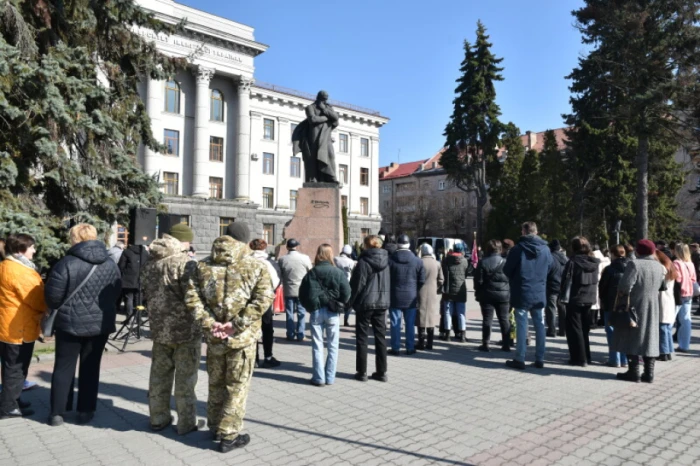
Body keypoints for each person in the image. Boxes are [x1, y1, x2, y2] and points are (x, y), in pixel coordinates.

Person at [185, 235, 274, 453]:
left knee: (216, 383)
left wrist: (210, 323)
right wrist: (236, 325)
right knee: (237, 386)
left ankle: (215, 426)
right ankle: (229, 434)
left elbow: (192, 298)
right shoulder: (255, 265)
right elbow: (264, 298)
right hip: (241, 339)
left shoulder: (202, 265)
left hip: (215, 337)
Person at [44, 224, 121, 426]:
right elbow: (116, 291)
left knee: (63, 366)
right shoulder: (110, 263)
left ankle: (57, 413)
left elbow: (53, 297)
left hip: (69, 323)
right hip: (99, 324)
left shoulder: (66, 263)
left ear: (75, 238)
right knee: (91, 367)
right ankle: (86, 411)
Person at [140, 224, 203, 434]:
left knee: (159, 376)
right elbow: (197, 295)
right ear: (184, 241)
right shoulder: (186, 263)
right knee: (186, 379)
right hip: (186, 330)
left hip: (159, 330)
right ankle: (186, 423)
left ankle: (158, 418)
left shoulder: (151, 262)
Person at [0, 234, 46, 419]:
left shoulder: (5, 265)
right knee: (16, 368)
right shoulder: (20, 271)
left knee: (12, 367)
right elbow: (36, 299)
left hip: (10, 324)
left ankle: (12, 400)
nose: (34, 250)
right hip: (18, 327)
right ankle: (8, 407)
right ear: (21, 250)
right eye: (32, 247)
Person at [503, 222, 553, 370]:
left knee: (522, 324)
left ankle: (520, 358)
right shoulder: (546, 250)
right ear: (536, 232)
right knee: (539, 324)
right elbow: (550, 267)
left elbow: (507, 269)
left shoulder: (518, 249)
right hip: (539, 290)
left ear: (524, 231)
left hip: (522, 289)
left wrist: (516, 279)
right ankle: (540, 358)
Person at [614, 240, 666, 383]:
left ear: (638, 250)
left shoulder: (635, 264)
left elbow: (624, 286)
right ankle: (649, 373)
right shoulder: (659, 266)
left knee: (632, 336)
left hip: (635, 305)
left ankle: (634, 372)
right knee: (650, 336)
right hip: (653, 305)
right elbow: (662, 286)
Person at [299, 244, 351, 386]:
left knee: (317, 345)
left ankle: (319, 377)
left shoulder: (311, 273)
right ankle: (330, 377)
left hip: (316, 311)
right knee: (333, 345)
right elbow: (347, 292)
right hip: (332, 312)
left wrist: (309, 307)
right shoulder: (338, 272)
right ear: (330, 255)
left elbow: (302, 294)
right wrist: (339, 303)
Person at [348, 235, 390, 382]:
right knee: (380, 337)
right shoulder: (387, 260)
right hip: (382, 303)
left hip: (365, 303)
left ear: (366, 245)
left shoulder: (363, 261)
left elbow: (356, 285)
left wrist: (348, 303)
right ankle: (382, 372)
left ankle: (362, 372)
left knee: (362, 338)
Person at [562, 237, 600, 367]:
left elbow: (565, 279)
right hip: (589, 297)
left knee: (574, 329)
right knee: (584, 329)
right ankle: (586, 356)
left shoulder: (573, 262)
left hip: (575, 298)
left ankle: (579, 358)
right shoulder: (594, 262)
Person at [388, 235, 425, 356]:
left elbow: (386, 279)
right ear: (409, 245)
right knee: (409, 324)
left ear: (398, 244)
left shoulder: (390, 260)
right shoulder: (418, 261)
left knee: (395, 323)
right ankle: (410, 347)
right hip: (411, 296)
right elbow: (422, 280)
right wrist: (414, 289)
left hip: (394, 296)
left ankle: (395, 348)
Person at [473, 240, 511, 352]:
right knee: (504, 319)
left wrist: (478, 291)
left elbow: (478, 281)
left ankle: (485, 344)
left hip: (487, 294)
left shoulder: (483, 262)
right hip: (504, 294)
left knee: (487, 319)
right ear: (500, 249)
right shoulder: (506, 262)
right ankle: (506, 344)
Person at [249, 238, 282, 368]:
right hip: (265, 300)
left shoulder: (247, 261)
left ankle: (254, 359)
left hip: (249, 300)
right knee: (267, 328)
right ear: (264, 248)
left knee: (252, 329)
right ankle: (268, 356)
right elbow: (276, 280)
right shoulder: (269, 263)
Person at [598, 245, 629, 368]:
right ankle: (624, 359)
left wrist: (603, 300)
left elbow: (602, 288)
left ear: (613, 254)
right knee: (624, 331)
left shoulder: (609, 269)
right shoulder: (630, 268)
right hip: (626, 304)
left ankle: (614, 359)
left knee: (611, 331)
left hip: (610, 304)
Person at [278, 239, 313, 342]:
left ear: (287, 247)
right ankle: (301, 334)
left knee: (289, 312)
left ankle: (290, 334)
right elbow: (310, 272)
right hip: (301, 289)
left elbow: (280, 274)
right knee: (301, 312)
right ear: (296, 246)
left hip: (288, 289)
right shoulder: (305, 258)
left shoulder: (282, 259)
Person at [441, 243, 470, 342]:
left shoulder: (447, 260)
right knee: (461, 313)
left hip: (448, 289)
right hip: (460, 291)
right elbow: (466, 274)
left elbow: (443, 273)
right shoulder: (465, 261)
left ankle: (447, 334)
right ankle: (462, 334)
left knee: (448, 312)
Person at [417, 244, 444, 351]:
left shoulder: (419, 262)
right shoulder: (437, 263)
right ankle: (430, 343)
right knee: (431, 317)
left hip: (420, 292)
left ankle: (421, 343)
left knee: (421, 317)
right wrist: (435, 288)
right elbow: (441, 279)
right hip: (432, 293)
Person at [673, 242, 696, 353]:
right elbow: (694, 279)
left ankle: (665, 346)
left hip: (678, 294)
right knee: (686, 320)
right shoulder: (690, 264)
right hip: (689, 293)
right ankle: (684, 345)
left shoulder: (676, 263)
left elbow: (677, 279)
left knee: (670, 320)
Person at [655, 250, 678, 362]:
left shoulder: (663, 270)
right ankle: (668, 351)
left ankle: (663, 352)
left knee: (663, 328)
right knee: (667, 328)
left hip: (662, 300)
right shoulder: (671, 268)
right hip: (669, 300)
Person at [118, 238, 149, 318]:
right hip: (141, 279)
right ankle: (139, 318)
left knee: (129, 298)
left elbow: (121, 266)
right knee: (139, 299)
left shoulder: (127, 252)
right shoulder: (145, 253)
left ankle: (129, 318)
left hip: (128, 279)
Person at [548, 240, 568, 337]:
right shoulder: (566, 258)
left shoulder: (550, 258)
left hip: (552, 285)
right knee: (562, 308)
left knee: (551, 308)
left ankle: (552, 330)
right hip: (563, 286)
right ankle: (562, 330)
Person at [334, 244, 357, 326]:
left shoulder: (335, 259)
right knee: (348, 304)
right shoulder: (351, 262)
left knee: (337, 302)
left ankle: (336, 318)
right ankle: (346, 320)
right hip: (347, 283)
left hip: (337, 283)